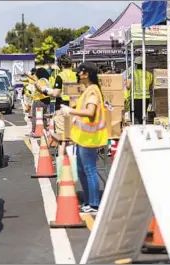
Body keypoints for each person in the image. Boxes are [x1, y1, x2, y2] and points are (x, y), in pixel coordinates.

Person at [60, 62, 108, 213]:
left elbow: (90, 113)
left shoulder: (92, 91)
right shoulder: (88, 90)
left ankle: (94, 204)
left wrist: (70, 111)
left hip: (89, 139)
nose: (77, 75)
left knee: (89, 170)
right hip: (82, 138)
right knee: (81, 170)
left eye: (80, 72)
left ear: (86, 74)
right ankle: (88, 201)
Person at [126, 56, 153, 125]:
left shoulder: (132, 74)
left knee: (135, 116)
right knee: (142, 116)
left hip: (136, 99)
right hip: (146, 98)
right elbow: (151, 85)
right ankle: (142, 128)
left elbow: (128, 86)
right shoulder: (149, 74)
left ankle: (136, 130)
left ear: (136, 65)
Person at [30, 67, 51, 137]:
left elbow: (41, 90)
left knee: (35, 116)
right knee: (44, 116)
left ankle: (35, 131)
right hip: (47, 99)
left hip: (39, 99)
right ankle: (43, 130)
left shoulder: (42, 80)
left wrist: (36, 85)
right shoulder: (47, 80)